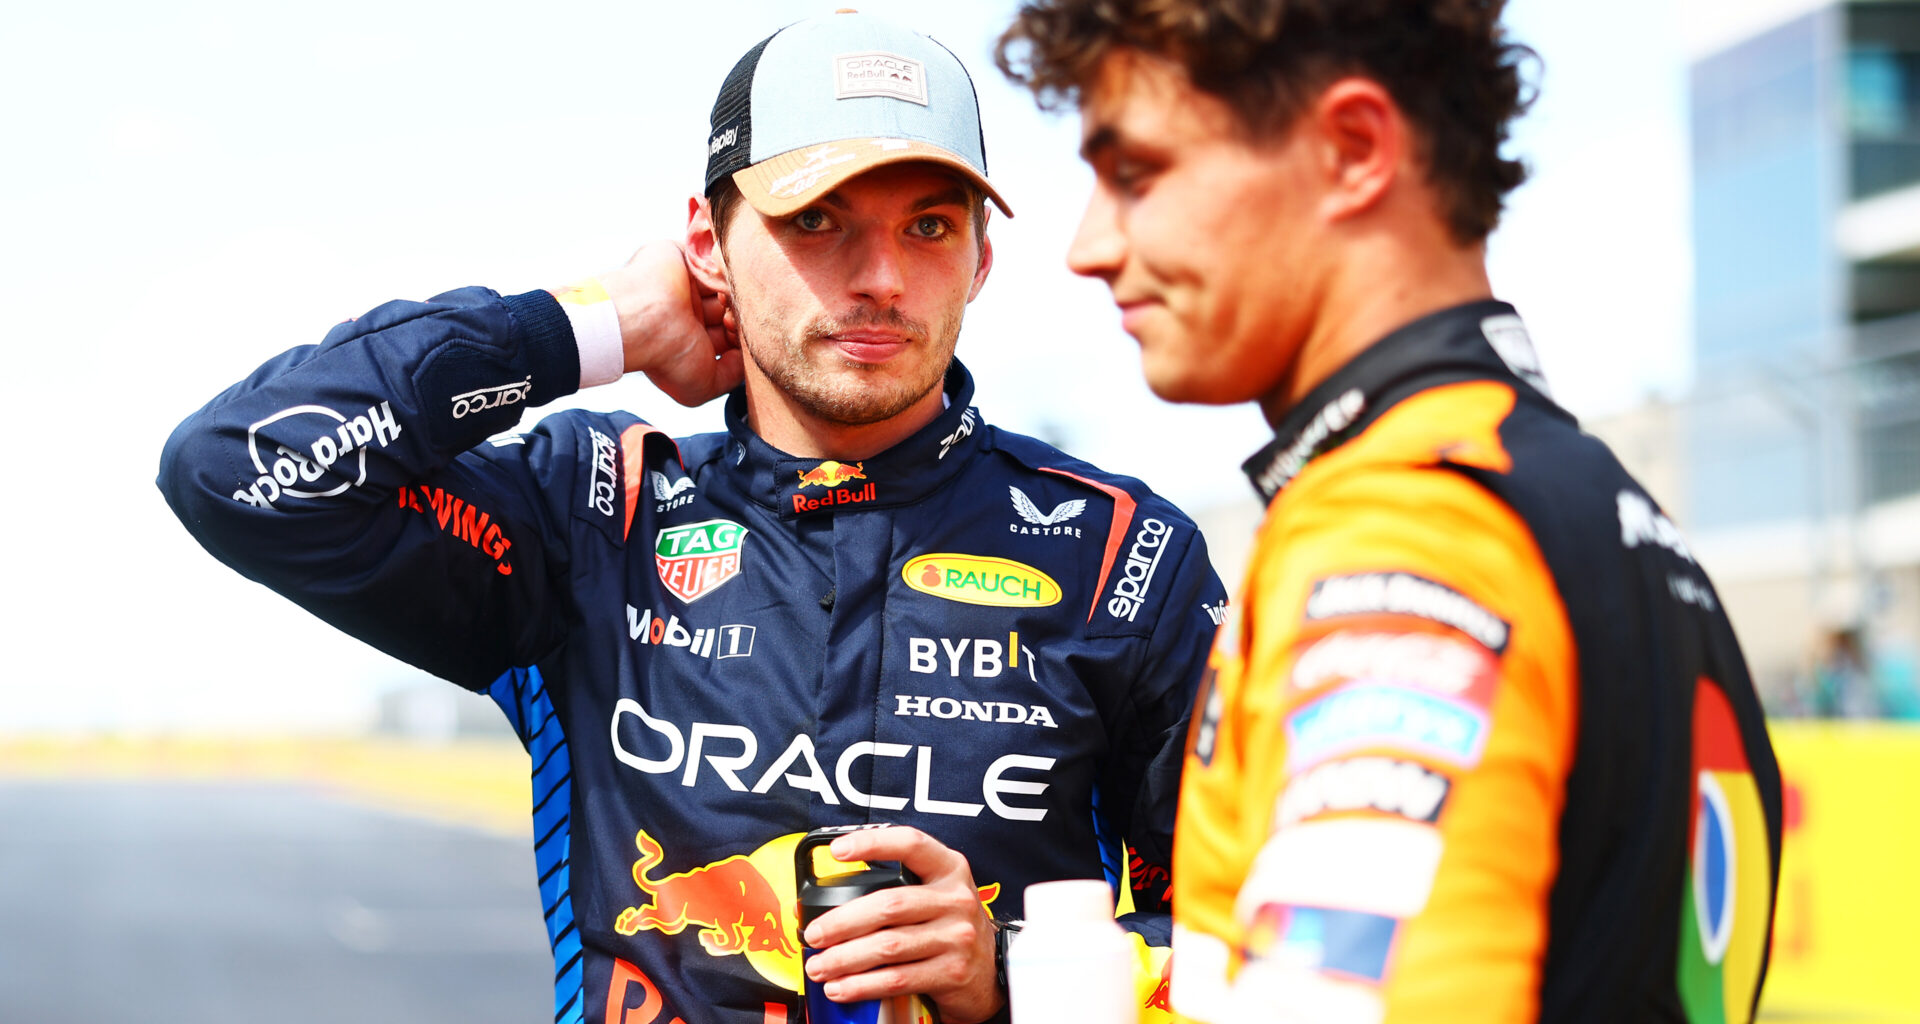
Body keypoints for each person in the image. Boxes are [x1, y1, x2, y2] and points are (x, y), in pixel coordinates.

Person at [157, 12, 1224, 1024]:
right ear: (706, 244)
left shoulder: (1123, 558)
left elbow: (1269, 947)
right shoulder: (591, 514)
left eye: (931, 226)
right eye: (816, 219)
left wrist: (1008, 973)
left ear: (983, 259)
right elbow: (234, 467)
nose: (883, 278)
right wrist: (596, 327)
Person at [996, 2, 1784, 1022]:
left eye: (1136, 175)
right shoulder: (1586, 496)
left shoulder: (1404, 526)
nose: (1088, 244)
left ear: (1352, 148)